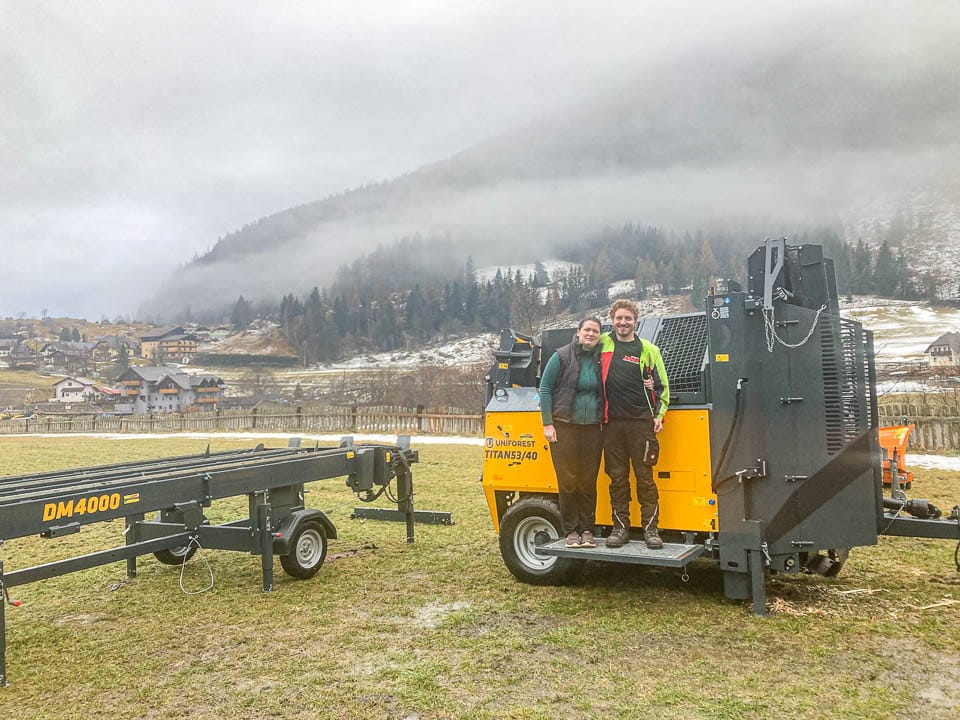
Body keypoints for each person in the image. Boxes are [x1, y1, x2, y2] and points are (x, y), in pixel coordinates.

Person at [598, 299, 670, 549]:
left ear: (635, 322)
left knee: (645, 479)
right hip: (612, 425)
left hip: (641, 424)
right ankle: (620, 529)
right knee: (617, 479)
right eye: (619, 318)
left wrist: (659, 415)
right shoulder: (602, 343)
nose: (623, 322)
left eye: (628, 318)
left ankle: (651, 530)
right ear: (612, 320)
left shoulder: (649, 350)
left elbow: (662, 387)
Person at [539, 317, 604, 548]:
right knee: (568, 481)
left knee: (588, 481)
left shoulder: (601, 358)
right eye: (587, 329)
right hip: (564, 427)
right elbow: (545, 389)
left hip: (593, 429)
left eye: (595, 331)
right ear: (578, 332)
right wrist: (547, 423)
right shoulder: (562, 355)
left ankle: (587, 530)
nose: (590, 334)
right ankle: (571, 532)